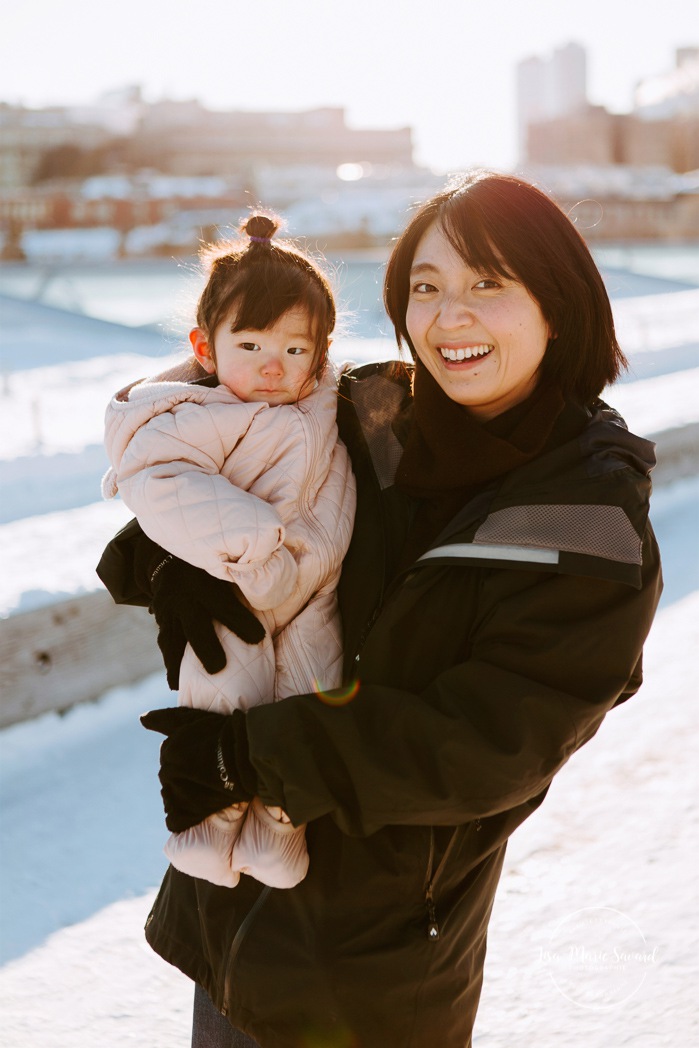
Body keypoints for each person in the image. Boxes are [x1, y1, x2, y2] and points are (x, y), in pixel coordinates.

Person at [100, 171, 662, 1047]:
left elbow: (489, 744)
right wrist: (169, 560)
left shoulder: (582, 513)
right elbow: (224, 412)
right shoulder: (368, 415)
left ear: (558, 305)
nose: (449, 317)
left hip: (374, 960)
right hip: (232, 921)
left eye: (488, 284)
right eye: (425, 287)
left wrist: (255, 756)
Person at [101, 213, 356, 891]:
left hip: (316, 589)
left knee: (313, 700)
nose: (274, 367)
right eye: (249, 345)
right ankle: (207, 824)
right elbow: (159, 484)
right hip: (236, 588)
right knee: (224, 695)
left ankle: (279, 827)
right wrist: (250, 546)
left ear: (322, 354)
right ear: (205, 349)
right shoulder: (192, 413)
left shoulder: (333, 400)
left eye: (298, 351)